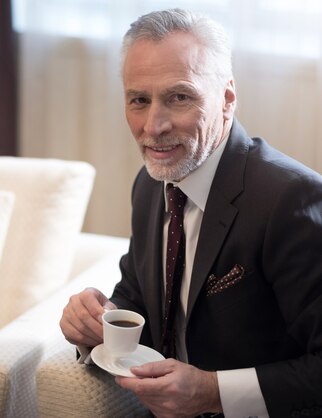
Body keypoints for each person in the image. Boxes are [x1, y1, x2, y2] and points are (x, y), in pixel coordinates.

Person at [60, 8, 322, 418]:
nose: (154, 125)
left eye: (179, 96)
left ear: (227, 99)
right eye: (139, 100)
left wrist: (212, 391)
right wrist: (98, 322)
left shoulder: (290, 199)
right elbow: (138, 297)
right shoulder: (150, 185)